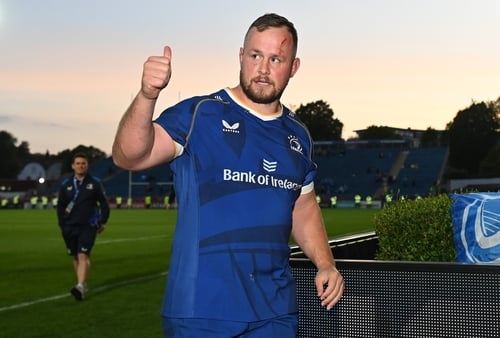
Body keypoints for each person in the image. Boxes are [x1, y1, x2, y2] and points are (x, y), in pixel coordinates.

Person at [112, 13, 344, 337]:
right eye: (255, 56)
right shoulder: (199, 114)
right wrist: (147, 96)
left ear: (293, 67)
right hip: (202, 310)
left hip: (275, 312)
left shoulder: (298, 135)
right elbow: (129, 156)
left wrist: (325, 263)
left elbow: (303, 207)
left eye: (276, 58)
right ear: (240, 56)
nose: (263, 69)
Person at [56, 152, 110, 301]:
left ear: (87, 165)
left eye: (83, 163)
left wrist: (102, 221)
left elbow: (104, 205)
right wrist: (62, 224)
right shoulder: (65, 185)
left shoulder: (95, 183)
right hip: (69, 227)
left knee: (83, 254)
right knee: (75, 256)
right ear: (73, 166)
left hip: (88, 225)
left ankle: (79, 286)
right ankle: (83, 282)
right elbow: (60, 206)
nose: (80, 166)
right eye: (78, 163)